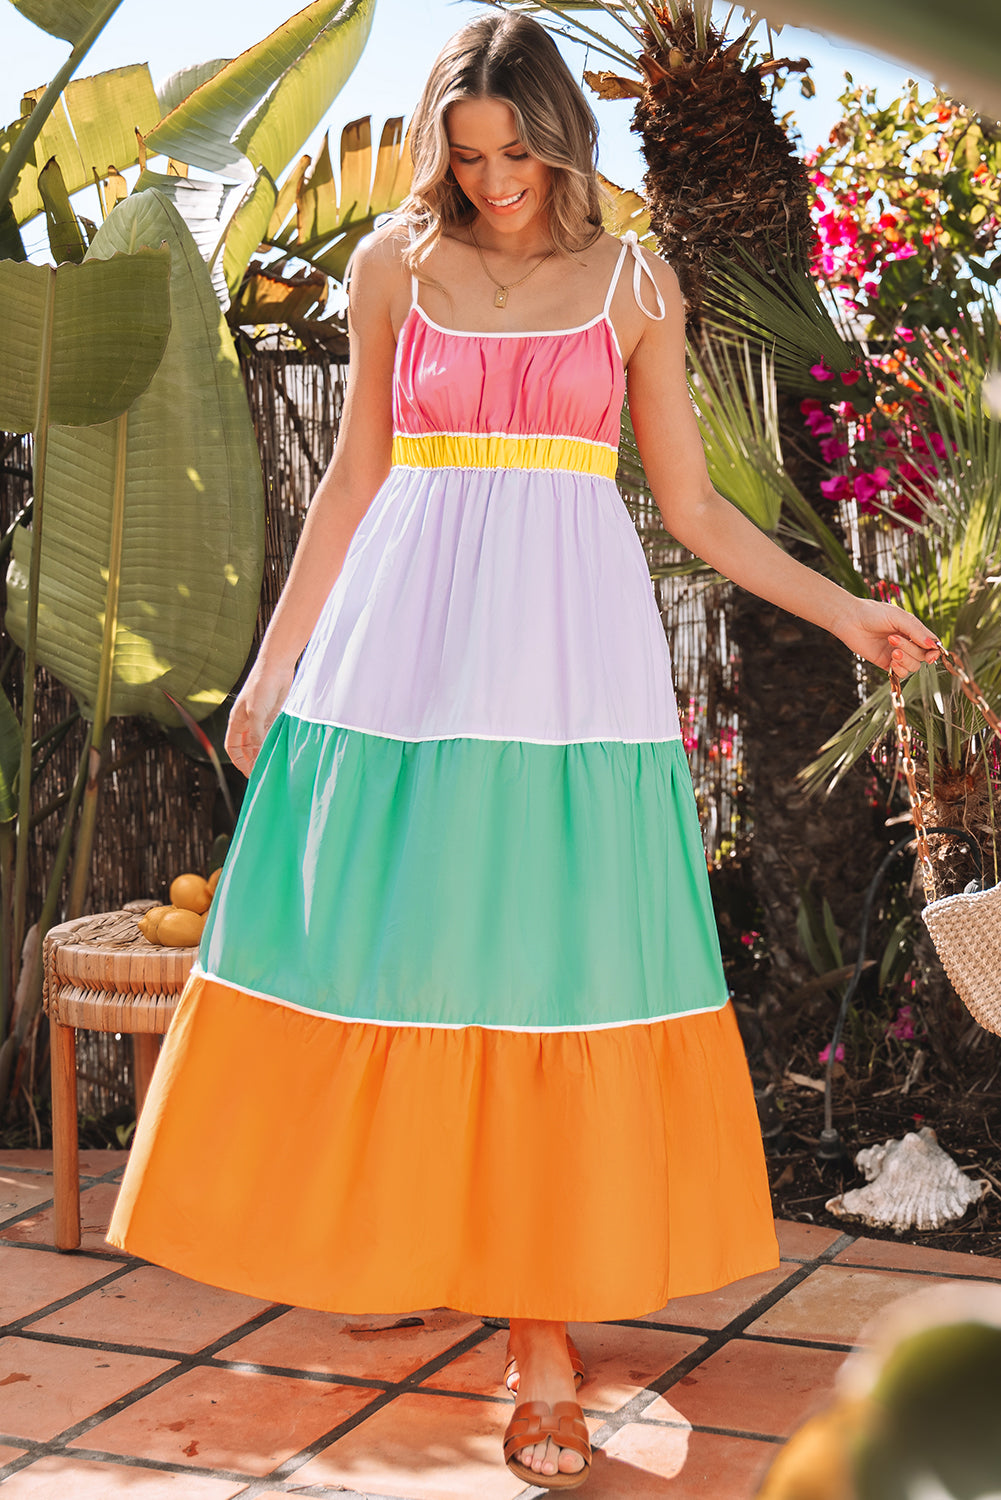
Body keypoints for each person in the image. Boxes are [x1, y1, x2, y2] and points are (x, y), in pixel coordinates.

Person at [108, 12, 940, 1490]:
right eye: (469, 154)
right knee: (403, 960)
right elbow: (355, 476)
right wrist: (274, 665)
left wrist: (844, 608)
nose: (494, 181)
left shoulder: (633, 282)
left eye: (517, 153)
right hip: (400, 661)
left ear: (561, 141)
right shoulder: (392, 266)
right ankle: (410, 1243)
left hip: (565, 676)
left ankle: (543, 1348)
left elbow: (693, 507)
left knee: (546, 980)